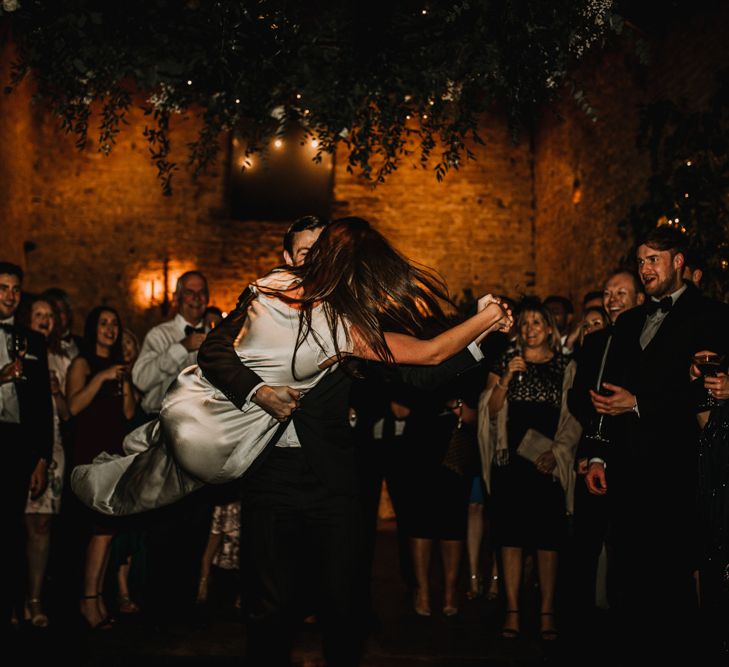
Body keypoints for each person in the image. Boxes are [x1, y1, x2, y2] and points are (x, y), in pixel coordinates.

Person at [583, 227, 729, 658]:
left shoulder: (712, 316)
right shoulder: (628, 322)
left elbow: (708, 391)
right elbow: (612, 393)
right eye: (641, 261)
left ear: (678, 262)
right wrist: (598, 453)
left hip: (678, 467)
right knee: (627, 574)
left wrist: (641, 404)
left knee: (672, 577)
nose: (645, 268)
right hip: (626, 469)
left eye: (653, 260)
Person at [482, 299, 576, 641]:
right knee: (510, 537)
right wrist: (506, 378)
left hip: (546, 462)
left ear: (550, 328)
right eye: (525, 323)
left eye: (538, 322)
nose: (531, 328)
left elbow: (572, 417)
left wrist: (558, 453)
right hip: (512, 464)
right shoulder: (506, 360)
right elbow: (489, 412)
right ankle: (512, 611)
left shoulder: (565, 366)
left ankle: (547, 611)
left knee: (548, 539)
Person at [66, 306, 137, 630]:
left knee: (108, 530)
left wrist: (124, 380)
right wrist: (101, 377)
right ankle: (88, 601)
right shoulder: (83, 363)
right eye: (104, 323)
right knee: (100, 529)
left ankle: (97, 598)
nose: (110, 329)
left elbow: (127, 414)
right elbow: (73, 406)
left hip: (114, 453)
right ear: (93, 327)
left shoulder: (119, 367)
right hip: (89, 453)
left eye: (115, 324)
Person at [0, 263, 53, 630]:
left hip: (16, 444)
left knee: (10, 528)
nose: (10, 295)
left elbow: (40, 405)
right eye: (3, 288)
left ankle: (12, 604)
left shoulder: (31, 341)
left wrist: (41, 458)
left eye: (16, 289)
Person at [19, 295, 71, 627]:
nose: (44, 319)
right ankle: (13, 599)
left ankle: (34, 599)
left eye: (49, 315)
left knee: (41, 525)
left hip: (52, 446)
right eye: (38, 314)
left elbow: (68, 414)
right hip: (19, 443)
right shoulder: (19, 350)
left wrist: (55, 391)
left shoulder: (64, 357)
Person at [131, 270, 210, 418]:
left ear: (208, 298)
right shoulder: (159, 335)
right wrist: (181, 348)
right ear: (176, 298)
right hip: (158, 421)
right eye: (189, 292)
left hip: (203, 422)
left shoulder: (215, 337)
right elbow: (140, 381)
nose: (196, 298)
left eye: (202, 292)